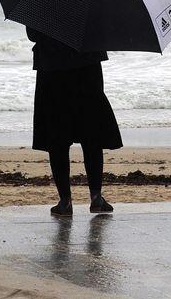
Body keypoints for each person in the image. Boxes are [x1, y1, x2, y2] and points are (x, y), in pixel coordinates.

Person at [27, 27, 122, 216]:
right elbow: (100, 31)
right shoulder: (90, 7)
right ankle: (96, 197)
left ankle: (65, 201)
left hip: (52, 69)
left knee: (57, 140)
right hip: (87, 66)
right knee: (91, 136)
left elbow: (33, 35)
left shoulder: (41, 7)